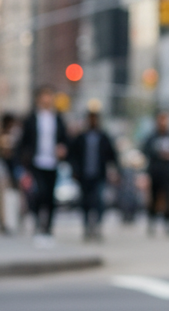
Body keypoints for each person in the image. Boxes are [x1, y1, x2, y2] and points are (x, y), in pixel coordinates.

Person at [16, 86, 68, 241]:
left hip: (52, 163)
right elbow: (23, 142)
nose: (47, 99)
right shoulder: (31, 119)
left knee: (51, 196)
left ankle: (49, 227)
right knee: (39, 192)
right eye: (44, 96)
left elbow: (65, 140)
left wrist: (62, 149)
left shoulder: (57, 119)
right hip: (36, 162)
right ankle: (38, 223)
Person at [68, 102, 119, 240]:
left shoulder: (103, 137)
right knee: (85, 202)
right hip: (84, 175)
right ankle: (86, 227)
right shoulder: (81, 138)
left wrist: (115, 171)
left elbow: (112, 156)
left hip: (99, 175)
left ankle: (97, 226)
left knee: (99, 202)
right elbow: (72, 156)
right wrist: (75, 170)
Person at [143, 112, 169, 235]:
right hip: (155, 172)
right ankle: (152, 222)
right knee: (154, 198)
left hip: (167, 172)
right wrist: (159, 154)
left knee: (168, 199)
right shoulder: (152, 137)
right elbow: (145, 150)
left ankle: (168, 223)